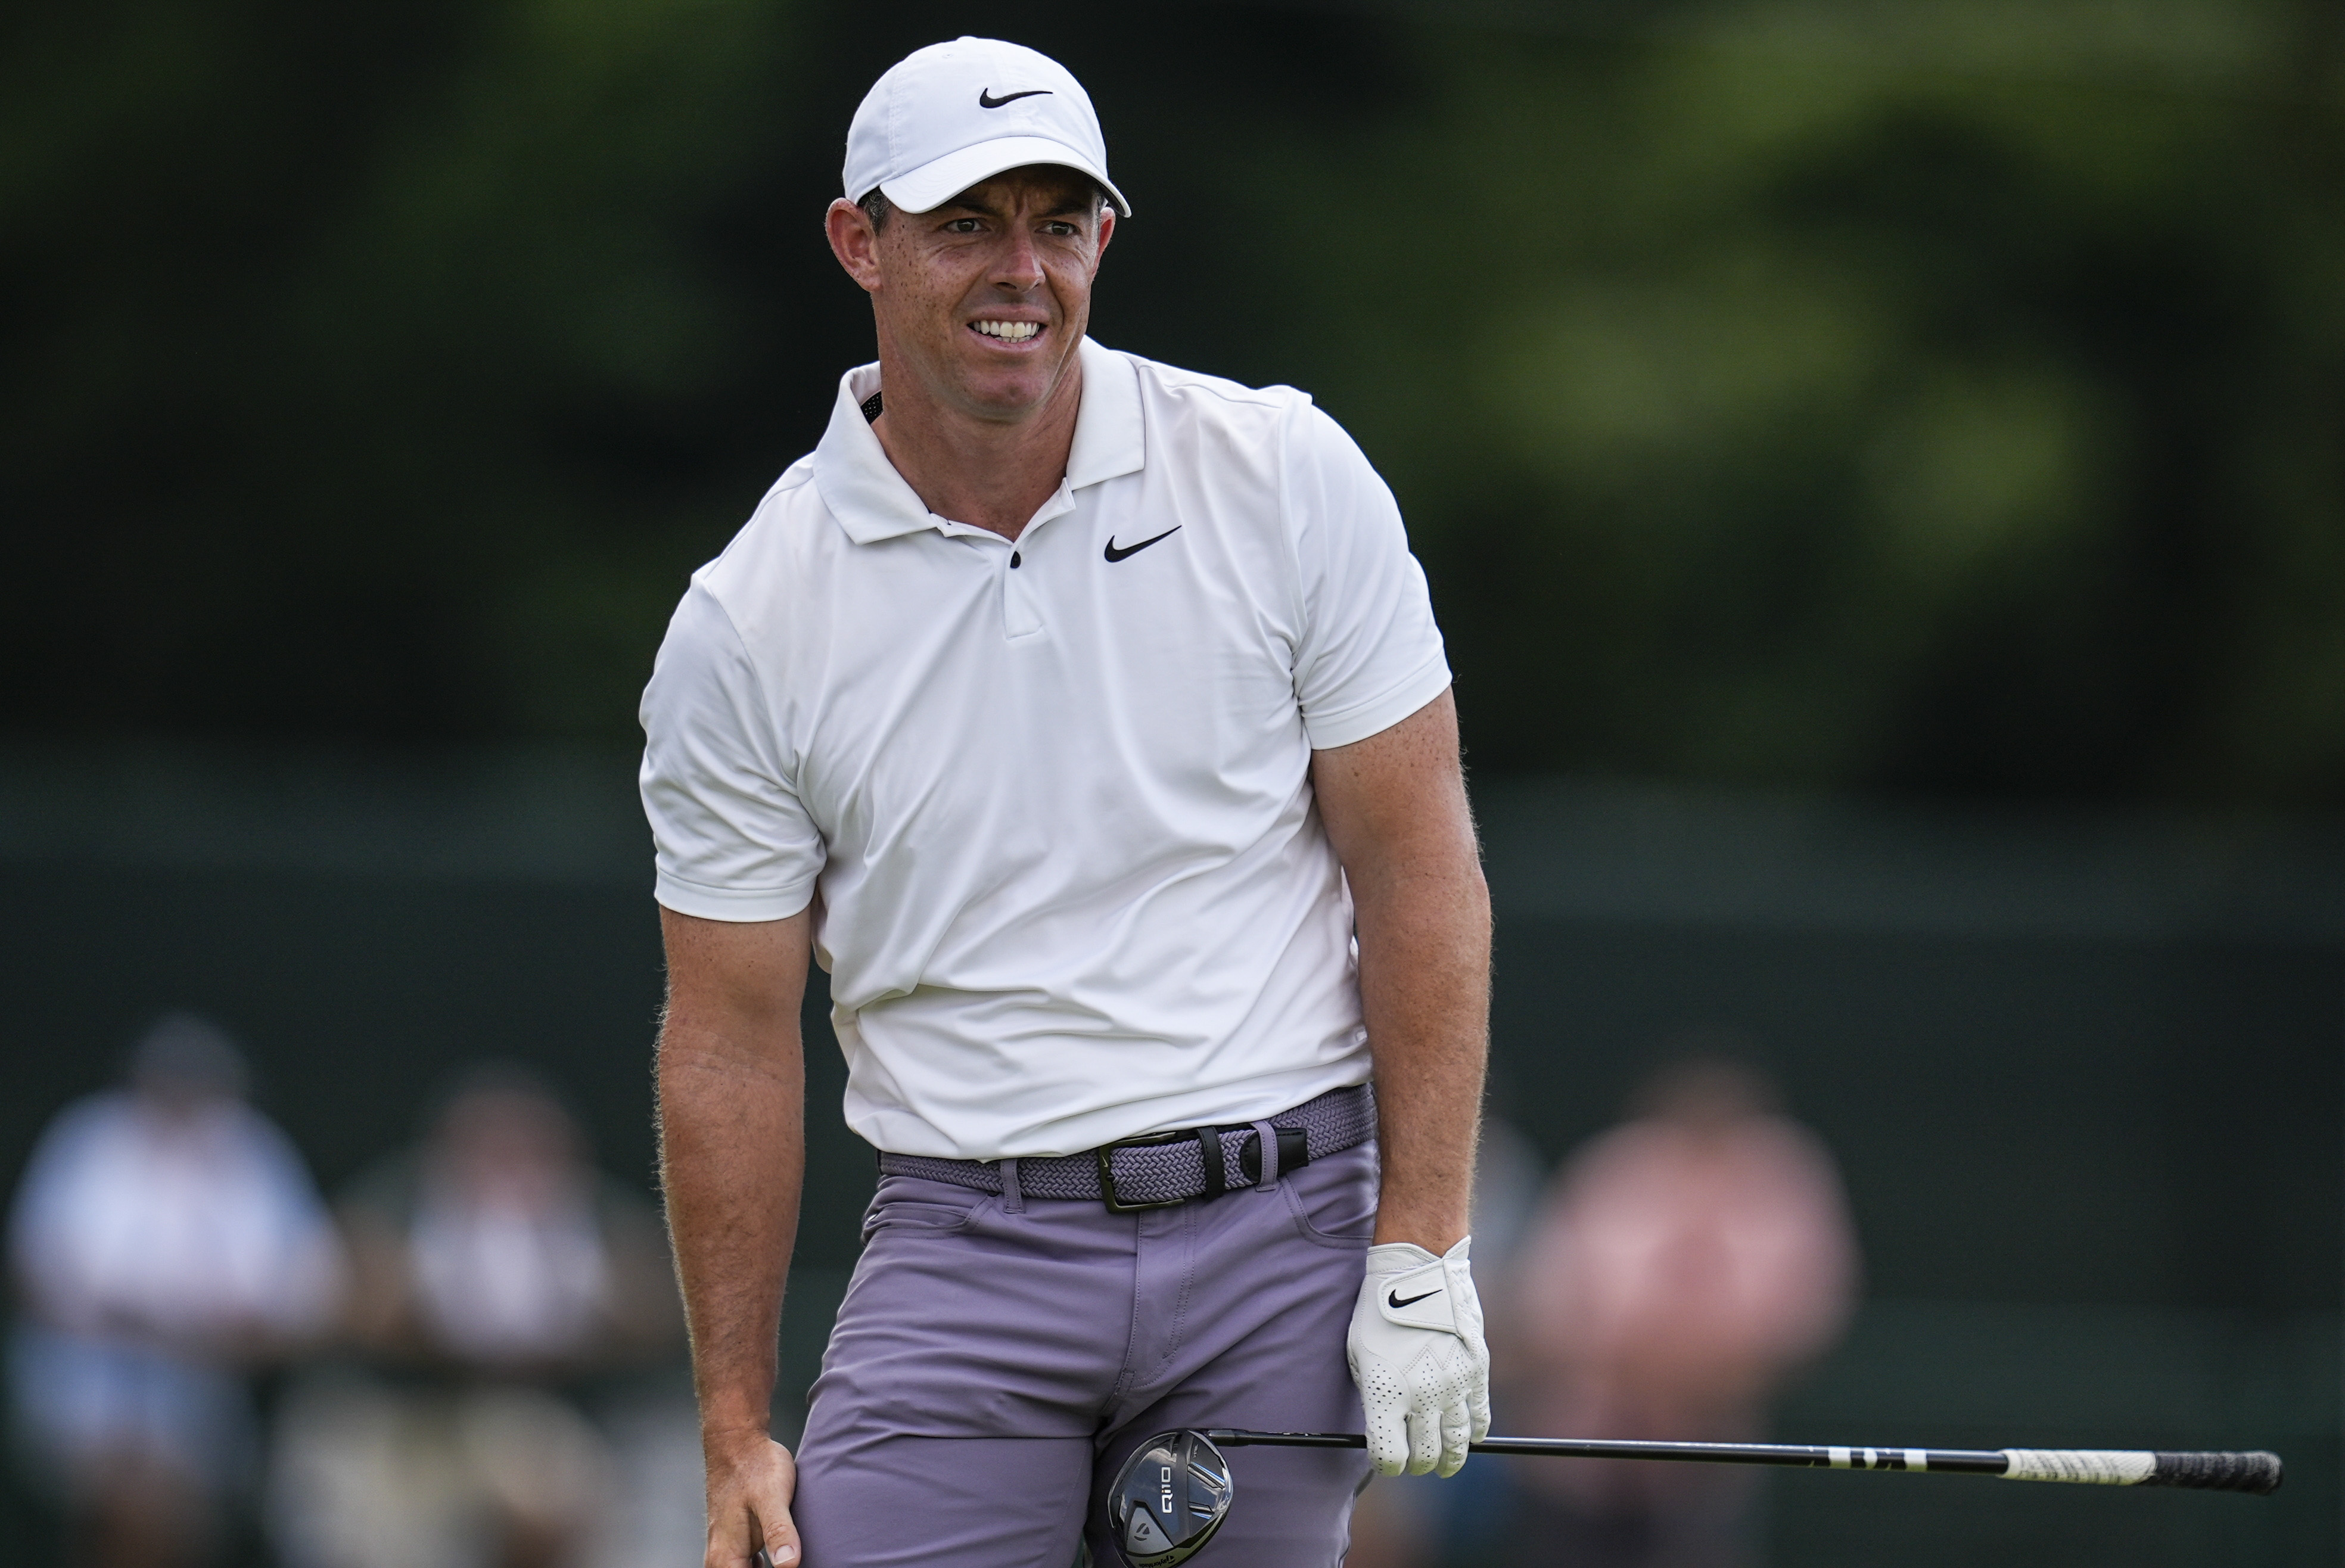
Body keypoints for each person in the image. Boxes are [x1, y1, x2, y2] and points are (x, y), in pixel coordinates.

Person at [639, 36, 1492, 1568]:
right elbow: (728, 1033)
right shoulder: (750, 619)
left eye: (1060, 220)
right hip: (966, 1252)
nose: (1019, 269)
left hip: (1277, 1232)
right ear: (860, 241)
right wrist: (732, 1425)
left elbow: (1415, 865)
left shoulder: (1281, 476)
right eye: (966, 223)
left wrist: (1420, 1249)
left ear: (1105, 238)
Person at [268, 1066, 680, 1568]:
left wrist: (572, 1299)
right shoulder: (393, 1206)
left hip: (547, 1413)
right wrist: (434, 1300)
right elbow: (341, 1307)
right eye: (487, 1147)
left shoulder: (597, 1216)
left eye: (526, 1149)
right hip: (403, 1416)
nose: (505, 1164)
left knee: (549, 1495)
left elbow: (657, 1314)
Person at [8, 1013, 343, 1568]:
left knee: (182, 1511)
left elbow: (311, 1292)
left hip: (211, 1388)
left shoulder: (256, 1153)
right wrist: (128, 1322)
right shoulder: (88, 1140)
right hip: (85, 1380)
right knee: (135, 1505)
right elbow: (34, 1271)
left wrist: (238, 1334)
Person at [1506, 1057, 1857, 1568]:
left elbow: (1811, 1311)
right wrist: (1626, 1364)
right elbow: (1543, 1304)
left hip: (1714, 1458)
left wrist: (1705, 1368)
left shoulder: (1785, 1175)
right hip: (1580, 1454)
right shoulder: (1612, 1169)